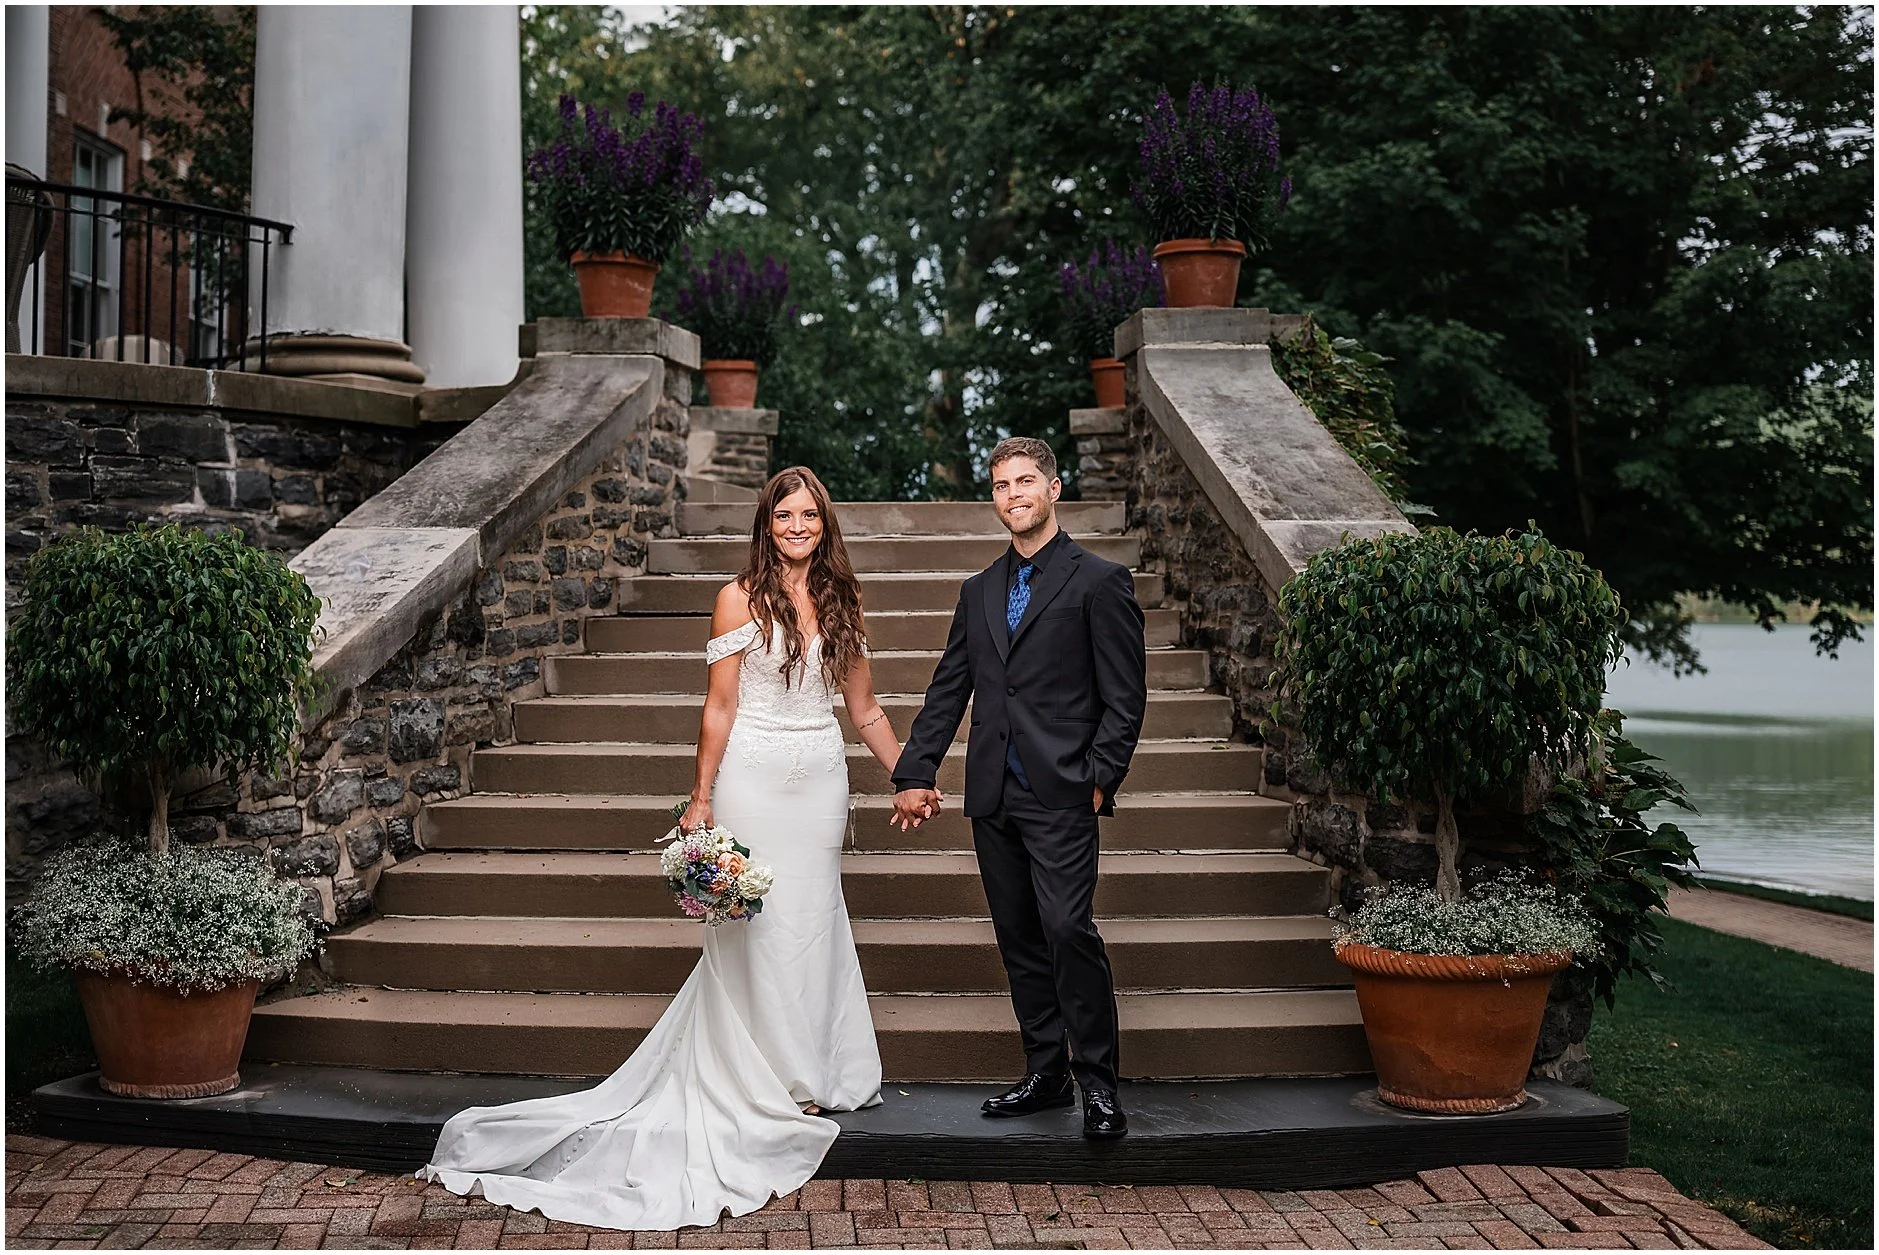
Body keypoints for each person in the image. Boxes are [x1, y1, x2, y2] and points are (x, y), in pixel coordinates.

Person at [422, 467, 914, 1230]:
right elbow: (719, 707)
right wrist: (702, 794)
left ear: (825, 523)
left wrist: (906, 775)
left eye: (808, 515)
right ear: (766, 522)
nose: (795, 526)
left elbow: (865, 707)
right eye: (783, 514)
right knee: (762, 923)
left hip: (819, 778)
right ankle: (769, 1078)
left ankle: (817, 1068)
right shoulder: (738, 596)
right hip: (751, 772)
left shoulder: (845, 600)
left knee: (813, 917)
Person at [890, 436, 1148, 1140]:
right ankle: (1046, 1072)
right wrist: (915, 769)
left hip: (1064, 789)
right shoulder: (977, 591)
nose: (1013, 494)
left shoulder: (1099, 581)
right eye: (1001, 485)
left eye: (1025, 480)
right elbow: (949, 688)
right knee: (1019, 938)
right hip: (992, 795)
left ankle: (1098, 1085)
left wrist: (1099, 779)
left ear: (1054, 489)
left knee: (1068, 929)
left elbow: (1124, 698)